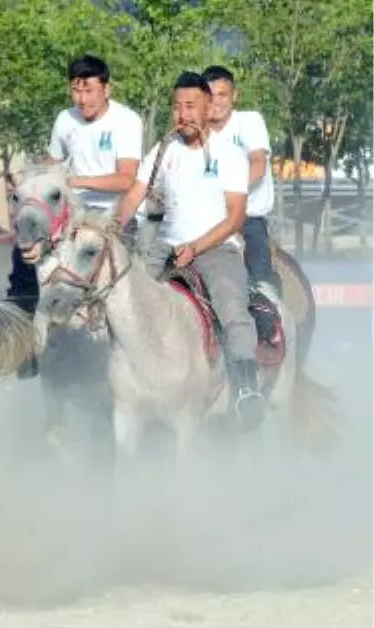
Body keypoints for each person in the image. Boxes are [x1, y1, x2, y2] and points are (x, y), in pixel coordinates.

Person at [114, 71, 264, 430]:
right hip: (164, 247)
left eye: (190, 106)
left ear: (208, 106)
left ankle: (246, 389)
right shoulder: (164, 150)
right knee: (123, 299)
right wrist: (112, 228)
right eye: (177, 107)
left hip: (216, 249)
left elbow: (235, 218)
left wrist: (195, 247)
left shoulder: (229, 155)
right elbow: (135, 193)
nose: (183, 114)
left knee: (231, 308)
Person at [9, 54, 145, 317]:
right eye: (76, 90)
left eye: (89, 90)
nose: (82, 99)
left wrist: (74, 181)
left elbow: (126, 179)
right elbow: (51, 163)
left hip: (114, 213)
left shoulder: (127, 121)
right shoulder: (65, 119)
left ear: (107, 89)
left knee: (108, 279)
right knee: (25, 243)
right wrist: (28, 180)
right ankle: (23, 314)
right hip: (72, 211)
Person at [202, 65, 279, 292]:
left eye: (222, 95)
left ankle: (267, 313)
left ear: (234, 96)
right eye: (210, 95)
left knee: (258, 278)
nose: (216, 102)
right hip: (205, 219)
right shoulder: (195, 132)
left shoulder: (250, 121)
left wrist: (224, 195)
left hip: (246, 218)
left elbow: (258, 164)